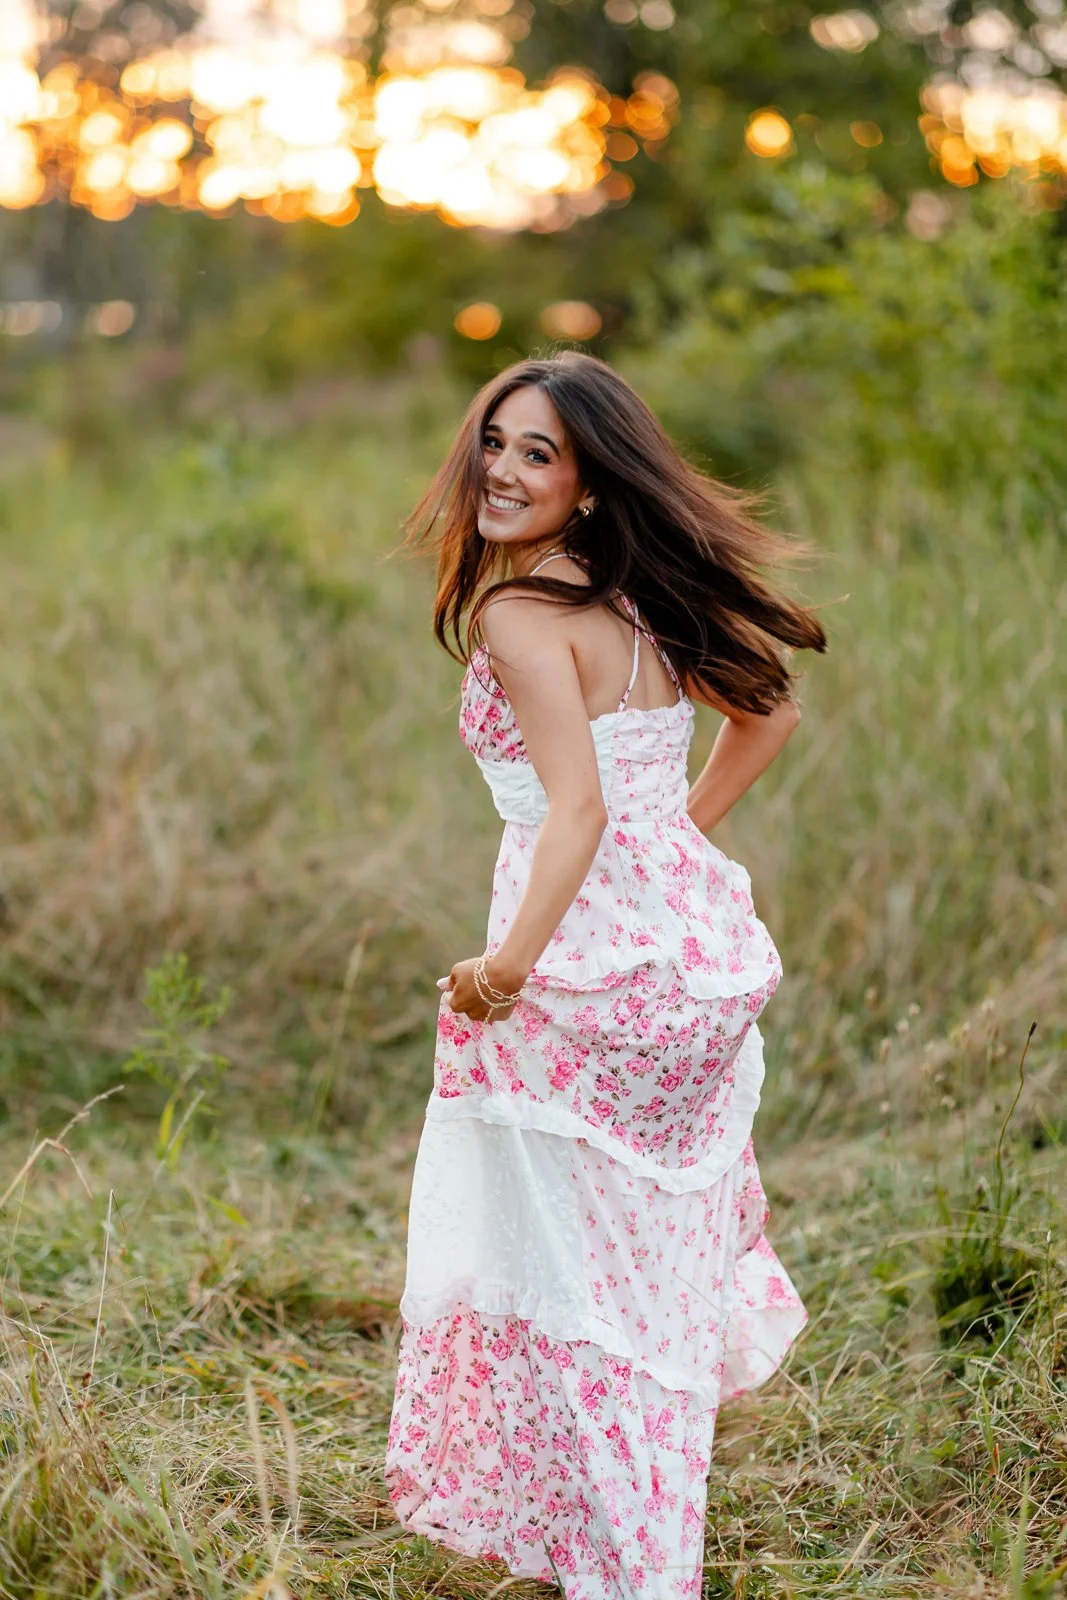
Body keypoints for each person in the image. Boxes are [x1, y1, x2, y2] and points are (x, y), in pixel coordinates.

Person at [386, 350, 824, 1599]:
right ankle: (628, 1543)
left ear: (586, 486)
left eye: (541, 454)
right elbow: (769, 712)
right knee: (638, 1276)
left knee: (571, 1278)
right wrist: (676, 839)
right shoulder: (633, 596)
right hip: (690, 957)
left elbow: (571, 813)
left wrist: (502, 968)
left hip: (585, 970)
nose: (505, 470)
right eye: (496, 442)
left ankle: (620, 1559)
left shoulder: (519, 618)